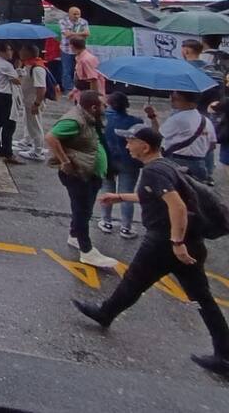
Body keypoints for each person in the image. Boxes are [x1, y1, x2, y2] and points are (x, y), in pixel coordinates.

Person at [74, 124, 229, 375]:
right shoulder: (164, 165)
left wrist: (176, 243)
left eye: (130, 141)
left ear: (144, 147)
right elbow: (158, 197)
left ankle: (105, 313)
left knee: (134, 281)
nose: (127, 146)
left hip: (164, 241)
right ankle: (224, 354)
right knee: (203, 299)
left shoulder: (154, 172)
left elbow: (176, 206)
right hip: (190, 242)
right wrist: (121, 197)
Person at [45, 89, 118, 268]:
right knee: (82, 211)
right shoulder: (75, 120)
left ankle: (75, 235)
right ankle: (86, 251)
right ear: (93, 107)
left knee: (85, 208)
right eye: (103, 105)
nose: (105, 108)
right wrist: (65, 161)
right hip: (79, 173)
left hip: (90, 172)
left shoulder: (91, 118)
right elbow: (51, 137)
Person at [98, 92, 143, 238]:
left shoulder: (103, 119)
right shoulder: (136, 121)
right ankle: (126, 227)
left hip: (108, 160)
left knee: (107, 189)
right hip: (129, 161)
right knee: (126, 194)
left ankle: (106, 221)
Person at [146, 90, 215, 183]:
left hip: (177, 162)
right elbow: (212, 145)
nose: (171, 100)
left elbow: (157, 135)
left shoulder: (178, 119)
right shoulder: (206, 121)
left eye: (175, 98)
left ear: (184, 100)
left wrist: (152, 116)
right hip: (199, 165)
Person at [0, 42, 23, 164]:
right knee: (9, 124)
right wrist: (19, 69)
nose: (11, 52)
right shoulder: (6, 65)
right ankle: (8, 152)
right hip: (6, 96)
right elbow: (17, 81)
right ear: (1, 52)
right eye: (8, 50)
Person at [12, 44, 50, 161]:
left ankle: (37, 151)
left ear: (28, 53)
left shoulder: (37, 68)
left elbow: (41, 88)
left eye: (22, 49)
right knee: (28, 123)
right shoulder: (29, 65)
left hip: (33, 102)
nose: (20, 52)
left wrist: (37, 103)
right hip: (28, 101)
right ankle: (27, 140)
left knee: (35, 126)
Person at [59, 7, 89, 92]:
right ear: (69, 14)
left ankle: (79, 88)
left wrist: (73, 33)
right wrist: (80, 34)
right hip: (66, 50)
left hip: (79, 51)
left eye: (78, 14)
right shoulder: (63, 21)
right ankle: (68, 90)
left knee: (79, 70)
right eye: (74, 14)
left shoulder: (83, 21)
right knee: (67, 70)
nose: (76, 16)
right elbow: (67, 35)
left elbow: (87, 34)